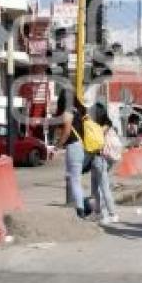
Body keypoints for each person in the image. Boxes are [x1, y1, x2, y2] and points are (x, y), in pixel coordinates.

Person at [55, 91, 87, 219]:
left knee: (74, 180)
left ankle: (80, 210)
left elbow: (67, 132)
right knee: (76, 179)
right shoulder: (78, 112)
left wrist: (58, 146)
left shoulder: (68, 112)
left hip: (73, 147)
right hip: (81, 146)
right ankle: (82, 207)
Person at [93, 115, 120, 224]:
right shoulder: (109, 129)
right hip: (106, 158)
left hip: (100, 158)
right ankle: (98, 212)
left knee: (103, 188)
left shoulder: (99, 129)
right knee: (97, 188)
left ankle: (111, 214)